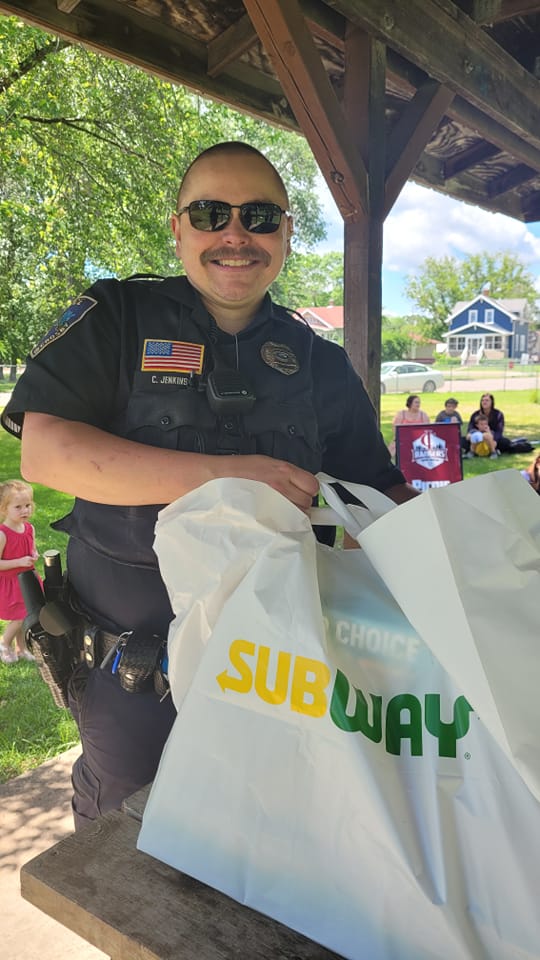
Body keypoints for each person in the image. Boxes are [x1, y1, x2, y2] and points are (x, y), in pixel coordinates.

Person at [1, 141, 418, 827]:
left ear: (285, 233)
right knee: (125, 860)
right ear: (177, 228)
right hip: (131, 679)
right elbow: (46, 453)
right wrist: (225, 475)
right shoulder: (116, 318)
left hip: (282, 672)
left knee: (270, 834)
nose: (235, 234)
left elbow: (379, 495)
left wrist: (481, 534)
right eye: (210, 213)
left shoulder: (320, 362)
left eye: (258, 216)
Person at [0, 480, 38, 664]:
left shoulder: (30, 529)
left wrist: (34, 555)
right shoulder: (2, 534)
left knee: (25, 617)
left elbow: (32, 549)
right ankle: (4, 643)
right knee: (19, 616)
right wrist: (19, 561)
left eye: (28, 505)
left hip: (27, 579)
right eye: (18, 507)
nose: (25, 510)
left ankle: (20, 648)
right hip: (11, 582)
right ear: (3, 509)